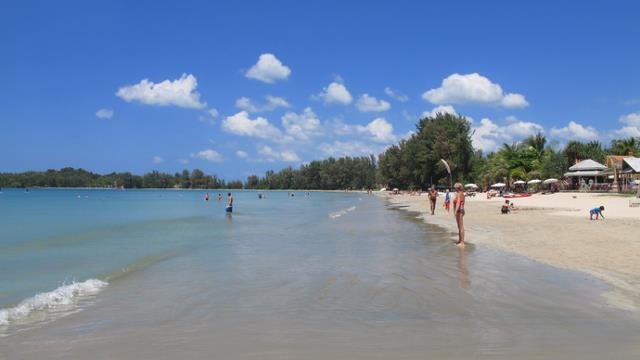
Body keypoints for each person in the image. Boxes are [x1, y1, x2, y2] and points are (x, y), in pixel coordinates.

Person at [453, 182, 465, 246]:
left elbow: (458, 203)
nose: (454, 189)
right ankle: (460, 240)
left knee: (461, 227)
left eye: (455, 188)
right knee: (459, 227)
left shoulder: (460, 194)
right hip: (460, 211)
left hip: (459, 211)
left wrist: (455, 212)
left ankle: (462, 242)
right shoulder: (460, 194)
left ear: (458, 188)